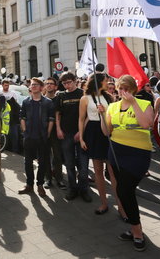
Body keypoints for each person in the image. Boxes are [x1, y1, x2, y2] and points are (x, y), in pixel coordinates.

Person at [105, 75, 154, 252]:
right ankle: (134, 228)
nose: (122, 91)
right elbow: (106, 131)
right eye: (120, 88)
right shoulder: (112, 106)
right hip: (116, 152)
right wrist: (104, 115)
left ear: (133, 89)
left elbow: (146, 124)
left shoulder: (144, 104)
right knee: (121, 190)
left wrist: (133, 102)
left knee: (125, 190)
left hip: (138, 153)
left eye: (126, 88)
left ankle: (137, 232)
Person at [78, 73, 117, 215]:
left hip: (107, 131)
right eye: (106, 80)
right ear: (99, 82)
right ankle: (104, 203)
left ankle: (121, 206)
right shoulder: (85, 99)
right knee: (98, 171)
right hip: (93, 133)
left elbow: (113, 116)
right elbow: (81, 119)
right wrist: (81, 138)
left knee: (113, 171)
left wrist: (105, 111)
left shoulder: (109, 97)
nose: (109, 83)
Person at [55, 72, 91, 202]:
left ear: (75, 81)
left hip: (81, 135)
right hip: (66, 134)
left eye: (69, 82)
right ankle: (72, 189)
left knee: (83, 165)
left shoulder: (83, 94)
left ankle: (84, 189)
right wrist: (58, 129)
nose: (67, 85)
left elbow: (88, 115)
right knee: (69, 164)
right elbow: (58, 114)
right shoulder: (61, 96)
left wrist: (80, 132)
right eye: (64, 83)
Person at [18, 78, 55, 197]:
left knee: (43, 162)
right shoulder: (26, 102)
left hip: (43, 137)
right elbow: (22, 117)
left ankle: (40, 184)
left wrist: (48, 133)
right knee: (27, 162)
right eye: (32, 85)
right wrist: (25, 131)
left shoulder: (48, 102)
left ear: (41, 87)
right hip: (29, 137)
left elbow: (51, 119)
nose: (33, 86)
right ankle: (29, 184)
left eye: (35, 85)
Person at [43, 77, 65, 189]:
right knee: (46, 155)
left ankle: (59, 178)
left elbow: (61, 115)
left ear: (56, 86)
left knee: (57, 156)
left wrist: (59, 129)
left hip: (56, 131)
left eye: (51, 84)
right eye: (47, 83)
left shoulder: (59, 99)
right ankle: (48, 179)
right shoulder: (42, 99)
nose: (49, 85)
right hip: (44, 132)